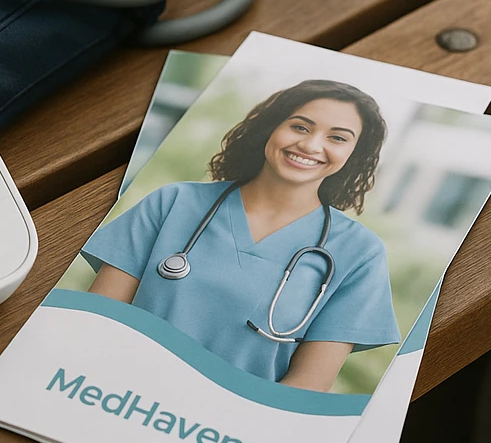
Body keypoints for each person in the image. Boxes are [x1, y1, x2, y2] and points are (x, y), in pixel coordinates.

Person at [82, 79, 400, 392]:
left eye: (337, 138)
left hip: (224, 432)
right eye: (300, 127)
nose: (311, 145)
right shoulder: (174, 203)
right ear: (271, 128)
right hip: (114, 393)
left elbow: (306, 386)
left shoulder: (359, 253)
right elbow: (95, 322)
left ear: (354, 154)